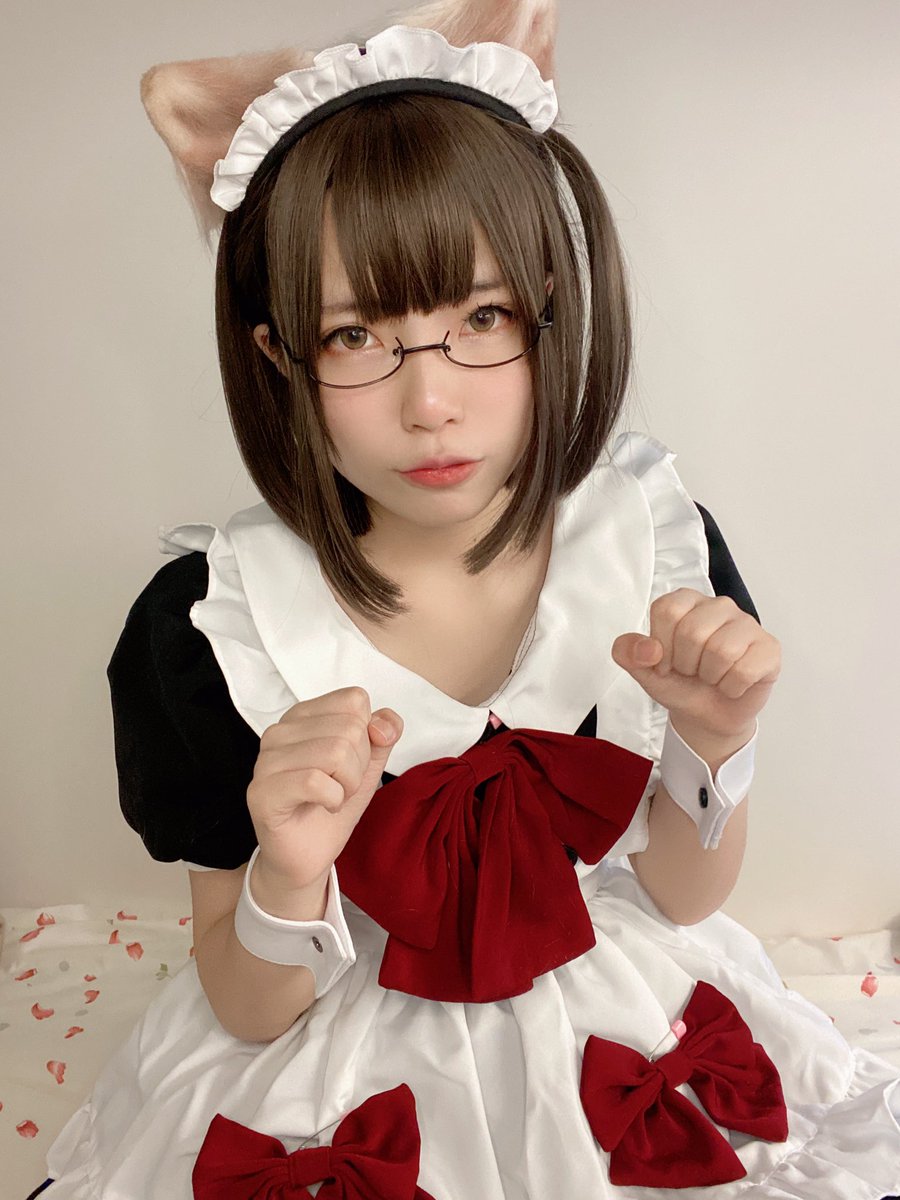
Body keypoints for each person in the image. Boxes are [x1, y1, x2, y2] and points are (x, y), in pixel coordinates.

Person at [29, 2, 900, 1196]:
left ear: (548, 309)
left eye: (481, 318)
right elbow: (246, 1005)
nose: (430, 403)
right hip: (333, 1054)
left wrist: (715, 743)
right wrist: (289, 871)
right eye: (355, 336)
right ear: (280, 356)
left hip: (618, 1009)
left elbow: (682, 896)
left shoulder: (649, 546)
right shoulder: (213, 626)